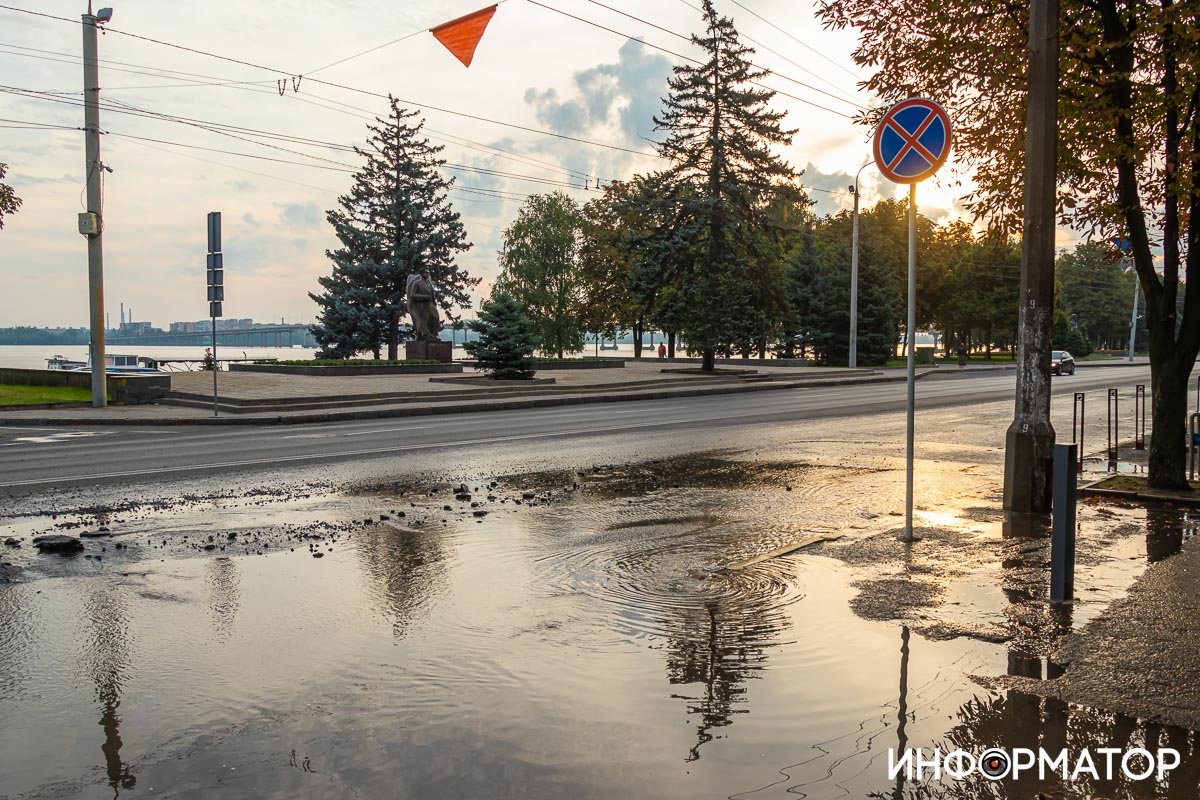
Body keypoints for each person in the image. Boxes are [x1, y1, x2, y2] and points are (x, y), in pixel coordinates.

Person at [406, 269, 442, 342]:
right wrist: (424, 296)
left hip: (430, 304)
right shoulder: (417, 283)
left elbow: (432, 294)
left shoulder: (429, 283)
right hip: (421, 305)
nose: (427, 274)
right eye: (426, 273)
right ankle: (424, 335)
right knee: (423, 321)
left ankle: (434, 333)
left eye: (428, 273)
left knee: (436, 317)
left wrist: (434, 302)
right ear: (421, 273)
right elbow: (412, 295)